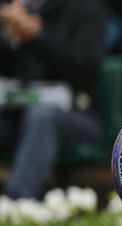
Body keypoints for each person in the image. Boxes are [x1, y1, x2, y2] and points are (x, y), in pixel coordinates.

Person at [0, 0, 106, 199]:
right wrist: (10, 37)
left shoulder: (87, 9)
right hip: (14, 113)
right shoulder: (14, 10)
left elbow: (85, 70)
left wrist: (37, 37)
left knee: (41, 116)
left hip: (76, 115)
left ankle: (17, 207)